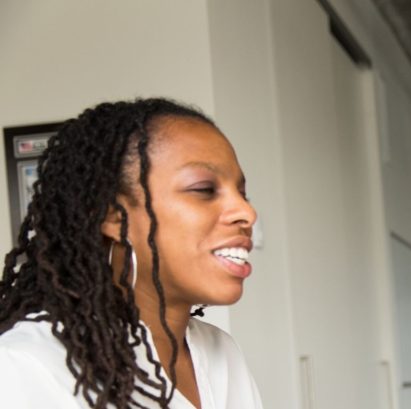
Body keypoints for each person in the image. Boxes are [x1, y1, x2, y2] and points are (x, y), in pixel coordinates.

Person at [0, 98, 263, 409]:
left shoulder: (222, 353)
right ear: (113, 216)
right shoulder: (24, 368)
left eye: (242, 193)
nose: (247, 213)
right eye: (204, 189)